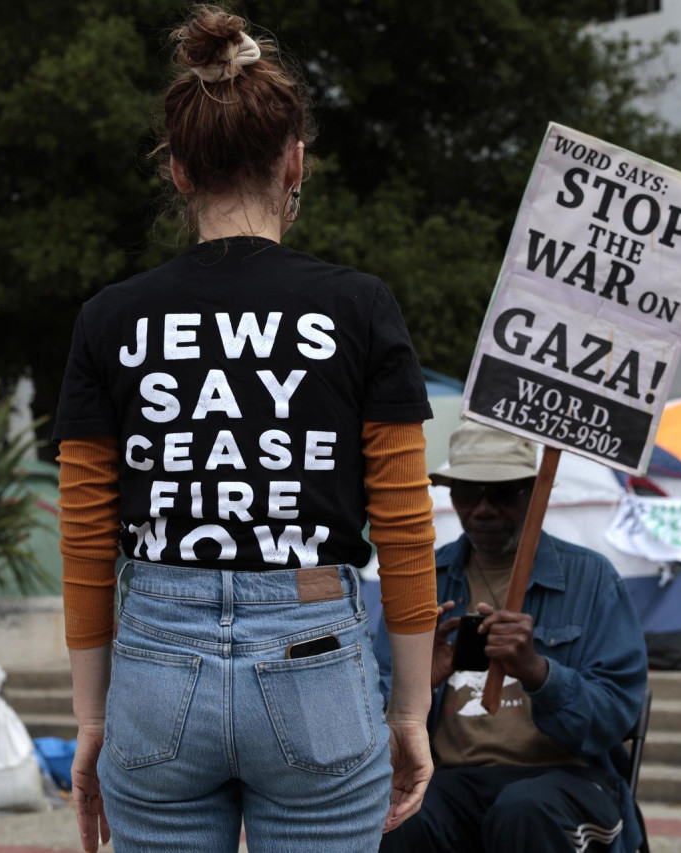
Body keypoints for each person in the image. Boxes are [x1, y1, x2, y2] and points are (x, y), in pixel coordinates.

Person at [52, 7, 439, 852]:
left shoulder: (108, 317)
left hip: (155, 664)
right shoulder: (360, 306)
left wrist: (90, 718)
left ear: (181, 172)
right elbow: (407, 529)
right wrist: (410, 711)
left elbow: (85, 535)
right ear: (294, 161)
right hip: (315, 656)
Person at [374, 421, 649, 853]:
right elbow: (369, 715)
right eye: (467, 492)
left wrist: (539, 673)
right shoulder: (423, 580)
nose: (483, 509)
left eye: (500, 494)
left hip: (567, 777)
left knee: (523, 810)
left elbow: (616, 718)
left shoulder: (591, 578)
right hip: (453, 777)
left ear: (532, 492)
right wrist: (418, 682)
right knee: (397, 819)